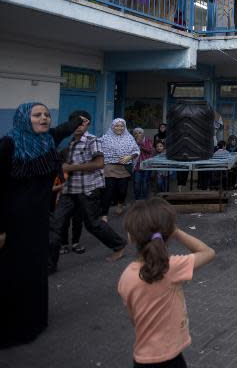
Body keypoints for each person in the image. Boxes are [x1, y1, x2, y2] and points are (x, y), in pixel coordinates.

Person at [0, 103, 83, 348]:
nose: (44, 118)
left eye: (46, 115)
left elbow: (65, 128)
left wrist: (79, 120)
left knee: (35, 269)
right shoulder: (9, 144)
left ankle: (34, 320)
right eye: (37, 115)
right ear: (25, 119)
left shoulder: (48, 141)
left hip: (38, 220)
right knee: (13, 272)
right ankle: (13, 326)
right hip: (13, 221)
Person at [118, 198, 215, 368]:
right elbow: (208, 252)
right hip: (170, 359)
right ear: (168, 233)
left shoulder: (125, 277)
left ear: (130, 237)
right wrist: (177, 232)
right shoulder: (170, 268)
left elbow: (134, 319)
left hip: (142, 358)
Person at [50, 111, 127, 272]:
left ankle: (119, 245)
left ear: (88, 124)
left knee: (93, 224)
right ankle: (50, 265)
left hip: (88, 190)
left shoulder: (93, 140)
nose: (79, 126)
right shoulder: (71, 142)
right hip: (69, 189)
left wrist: (70, 167)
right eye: (76, 123)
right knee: (56, 224)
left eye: (82, 123)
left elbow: (99, 163)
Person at [102, 118, 140, 217]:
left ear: (125, 127)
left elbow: (136, 151)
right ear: (112, 126)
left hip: (124, 168)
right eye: (117, 126)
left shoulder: (129, 138)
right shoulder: (105, 138)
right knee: (108, 191)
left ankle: (120, 204)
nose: (119, 128)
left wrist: (130, 156)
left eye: (122, 126)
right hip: (110, 167)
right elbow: (98, 151)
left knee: (122, 191)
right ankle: (104, 214)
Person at [132, 128, 154, 200]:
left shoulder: (148, 141)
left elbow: (150, 150)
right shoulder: (132, 142)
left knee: (145, 182)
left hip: (146, 165)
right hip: (137, 166)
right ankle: (137, 199)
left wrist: (140, 144)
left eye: (139, 133)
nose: (138, 134)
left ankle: (144, 199)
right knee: (137, 183)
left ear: (142, 133)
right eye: (136, 133)